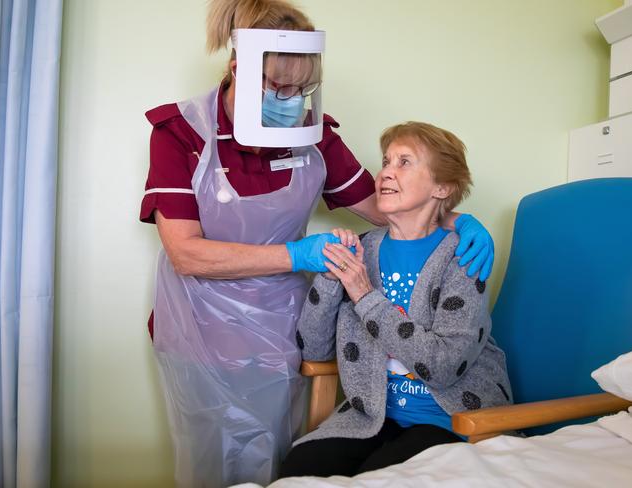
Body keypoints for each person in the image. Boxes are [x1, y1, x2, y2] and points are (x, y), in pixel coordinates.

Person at [140, 1, 494, 486]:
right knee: (211, 460)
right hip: (200, 326)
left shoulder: (312, 134)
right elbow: (185, 252)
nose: (291, 100)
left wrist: (458, 218)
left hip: (280, 326)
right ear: (238, 68)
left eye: (300, 89)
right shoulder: (181, 134)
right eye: (277, 86)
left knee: (276, 454)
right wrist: (297, 255)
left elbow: (384, 202)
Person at [280, 122, 512, 478]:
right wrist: (329, 278)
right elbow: (312, 350)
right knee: (300, 466)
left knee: (379, 478)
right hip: (373, 415)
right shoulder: (363, 249)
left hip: (452, 419)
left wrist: (363, 294)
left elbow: (444, 365)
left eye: (405, 162)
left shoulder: (463, 257)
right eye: (386, 161)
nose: (386, 172)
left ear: (442, 187)